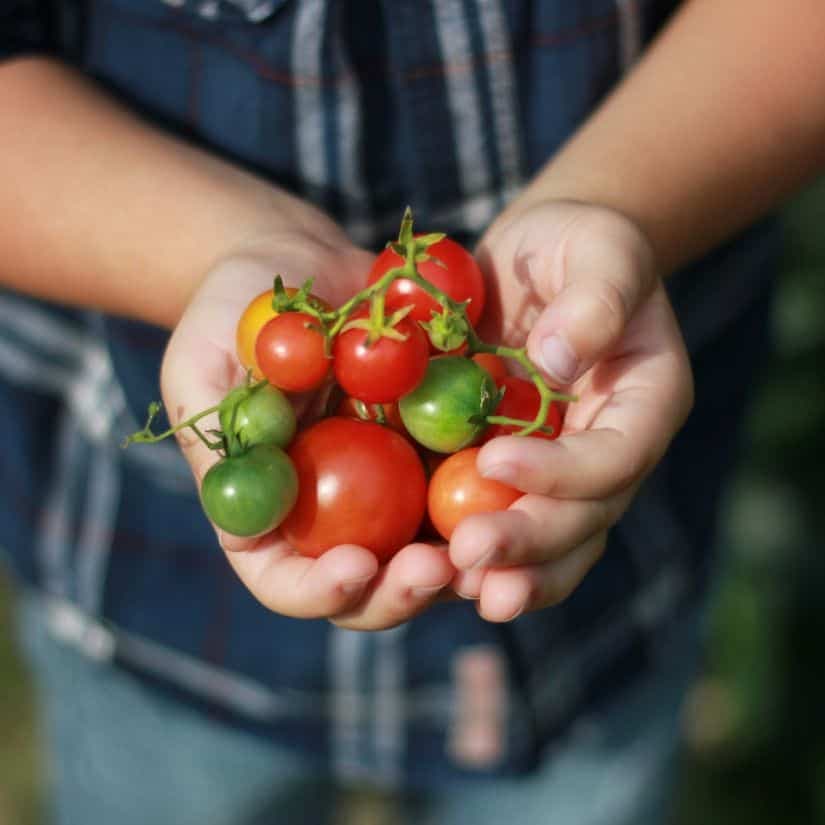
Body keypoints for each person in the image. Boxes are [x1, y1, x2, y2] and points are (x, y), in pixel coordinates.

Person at [0, 1, 822, 823]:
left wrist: (621, 213)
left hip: (611, 588)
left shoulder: (458, 372)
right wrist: (218, 247)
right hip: (160, 596)